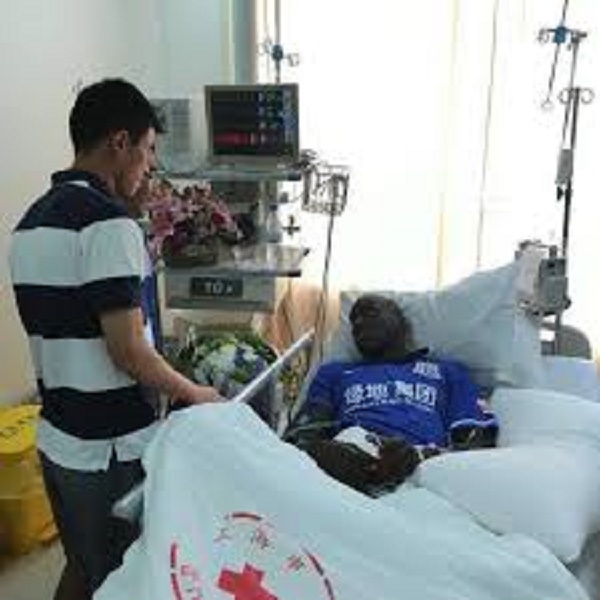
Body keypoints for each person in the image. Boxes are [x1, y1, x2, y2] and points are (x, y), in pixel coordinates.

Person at [8, 79, 220, 599]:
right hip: (110, 449)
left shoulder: (29, 225)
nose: (150, 166)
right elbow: (128, 351)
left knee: (83, 566)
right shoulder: (109, 225)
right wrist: (195, 393)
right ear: (119, 142)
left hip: (58, 440)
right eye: (148, 150)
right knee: (124, 579)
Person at [285, 293, 497, 495]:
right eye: (354, 321)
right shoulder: (334, 373)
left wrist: (422, 456)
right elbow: (302, 436)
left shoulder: (448, 372)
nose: (359, 324)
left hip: (422, 464)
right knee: (334, 450)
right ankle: (371, 474)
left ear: (400, 320)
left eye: (370, 312)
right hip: (352, 454)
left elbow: (474, 443)